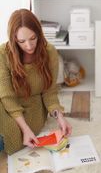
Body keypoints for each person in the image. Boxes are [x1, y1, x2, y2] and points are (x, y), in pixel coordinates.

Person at [0, 9, 72, 155]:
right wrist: (25, 129)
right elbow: (7, 96)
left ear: (39, 33)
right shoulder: (3, 54)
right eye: (21, 41)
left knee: (11, 137)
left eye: (33, 38)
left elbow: (49, 92)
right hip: (6, 103)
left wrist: (60, 118)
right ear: (14, 39)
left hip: (33, 108)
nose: (29, 45)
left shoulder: (49, 52)